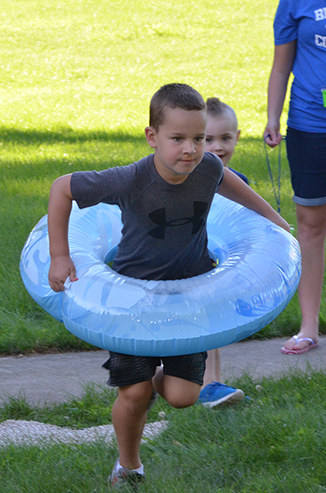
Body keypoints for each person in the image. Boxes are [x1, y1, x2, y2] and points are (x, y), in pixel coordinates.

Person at [48, 83, 290, 488]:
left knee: (182, 396)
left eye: (198, 138)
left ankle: (152, 381)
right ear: (152, 137)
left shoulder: (207, 168)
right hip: (132, 299)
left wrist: (273, 219)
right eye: (177, 139)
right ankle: (130, 466)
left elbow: (230, 181)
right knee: (135, 394)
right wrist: (60, 254)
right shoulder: (130, 180)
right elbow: (63, 187)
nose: (191, 150)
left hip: (189, 295)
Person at [264, 1, 326, 355]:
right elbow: (281, 65)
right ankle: (309, 327)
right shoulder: (294, 3)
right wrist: (273, 116)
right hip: (309, 126)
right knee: (311, 224)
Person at [199, 97, 250, 408]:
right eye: (208, 139)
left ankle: (211, 383)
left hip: (222, 267)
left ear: (237, 138)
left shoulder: (240, 185)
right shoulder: (191, 181)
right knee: (207, 323)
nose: (218, 147)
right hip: (193, 266)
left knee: (215, 323)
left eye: (225, 138)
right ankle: (207, 385)